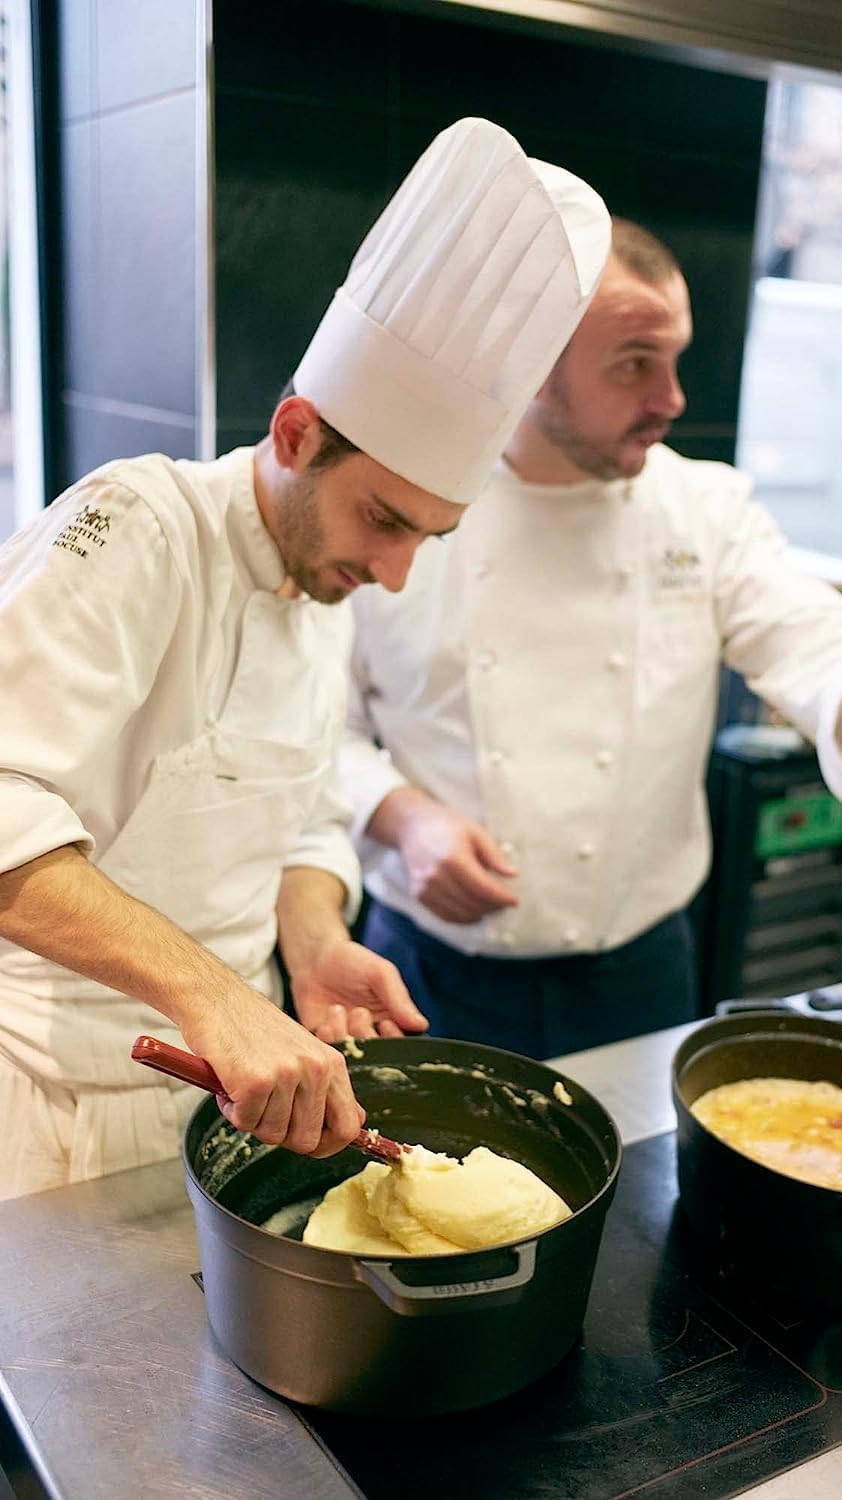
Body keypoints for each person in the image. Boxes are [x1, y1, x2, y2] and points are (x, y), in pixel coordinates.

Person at [0, 118, 611, 1199]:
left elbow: (298, 806)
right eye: (384, 517)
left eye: (428, 534)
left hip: (224, 1096)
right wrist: (218, 997)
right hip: (51, 1115)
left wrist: (316, 939)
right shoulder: (138, 525)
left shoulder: (321, 572)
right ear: (293, 434)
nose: (392, 572)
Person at [341, 217, 842, 1060]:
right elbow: (311, 726)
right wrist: (397, 815)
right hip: (428, 974)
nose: (672, 398)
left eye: (674, 358)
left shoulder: (701, 509)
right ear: (531, 370)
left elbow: (796, 621)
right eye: (634, 365)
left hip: (643, 973)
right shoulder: (405, 513)